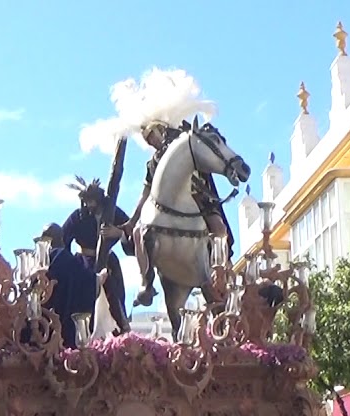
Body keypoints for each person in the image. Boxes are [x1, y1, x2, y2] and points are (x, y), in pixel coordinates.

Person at [125, 119, 233, 309]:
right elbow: (146, 193)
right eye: (148, 140)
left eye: (152, 136)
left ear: (160, 131)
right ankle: (146, 281)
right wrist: (132, 220)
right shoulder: (152, 163)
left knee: (219, 228)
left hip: (197, 196)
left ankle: (221, 271)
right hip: (163, 207)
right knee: (137, 233)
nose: (151, 142)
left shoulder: (182, 147)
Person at [57, 178, 134, 335]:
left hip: (109, 262)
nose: (89, 206)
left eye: (93, 202)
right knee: (84, 301)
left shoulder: (113, 212)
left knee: (114, 298)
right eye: (87, 202)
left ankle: (121, 330)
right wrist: (69, 264)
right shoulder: (78, 216)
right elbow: (61, 240)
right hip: (84, 264)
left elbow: (133, 230)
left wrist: (119, 233)